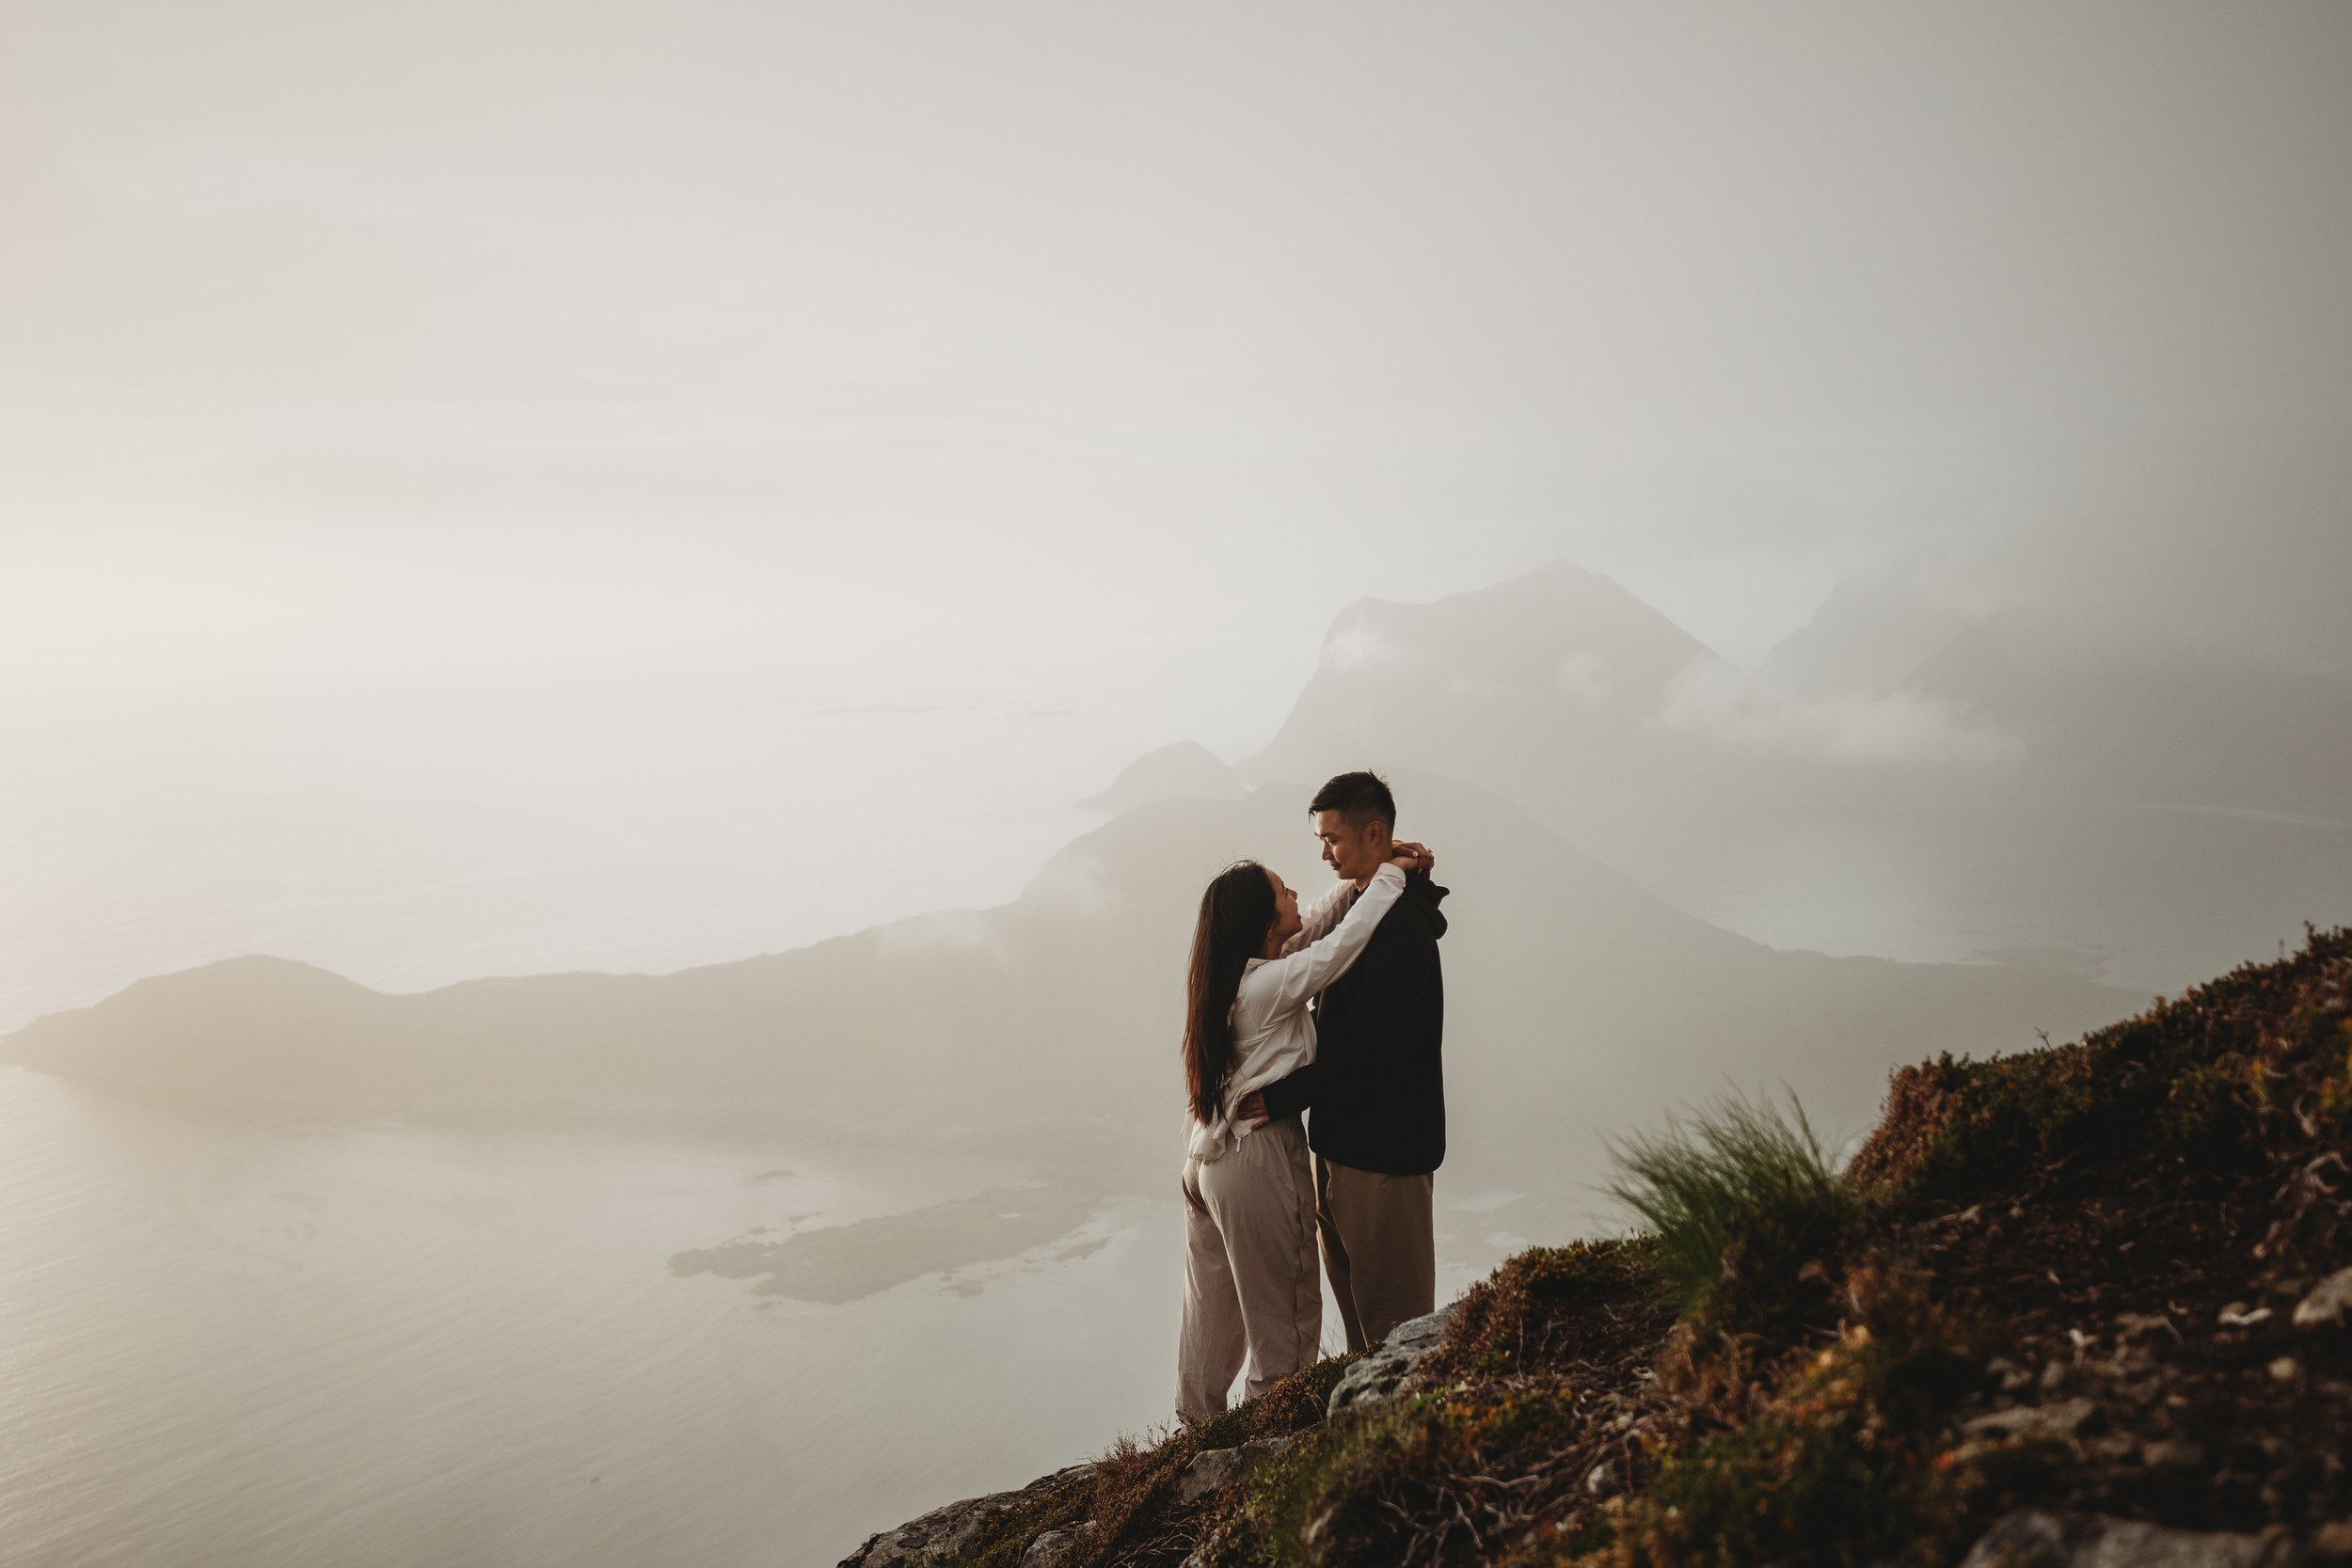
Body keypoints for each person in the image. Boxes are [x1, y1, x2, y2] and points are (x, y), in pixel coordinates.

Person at [1173, 833, 1431, 1425]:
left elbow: (1316, 923)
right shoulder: (1268, 987)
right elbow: (1341, 945)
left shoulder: (1234, 978)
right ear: (1264, 922)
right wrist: (1390, 878)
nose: (1297, 893)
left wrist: (1371, 870)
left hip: (1205, 1163)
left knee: (1209, 1316)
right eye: (1283, 890)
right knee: (1284, 1324)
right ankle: (1271, 1443)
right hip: (1257, 1159)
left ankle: (1195, 1432)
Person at [1239, 771, 1449, 1353]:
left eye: (1333, 838)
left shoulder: (1401, 931)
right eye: (1321, 841)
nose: (1326, 852)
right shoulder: (1362, 911)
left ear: (1375, 831)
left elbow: (1372, 1049)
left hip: (1385, 1159)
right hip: (1337, 1149)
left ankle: (1407, 1443)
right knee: (1362, 1337)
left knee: (1398, 1337)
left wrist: (1283, 1097)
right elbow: (1293, 949)